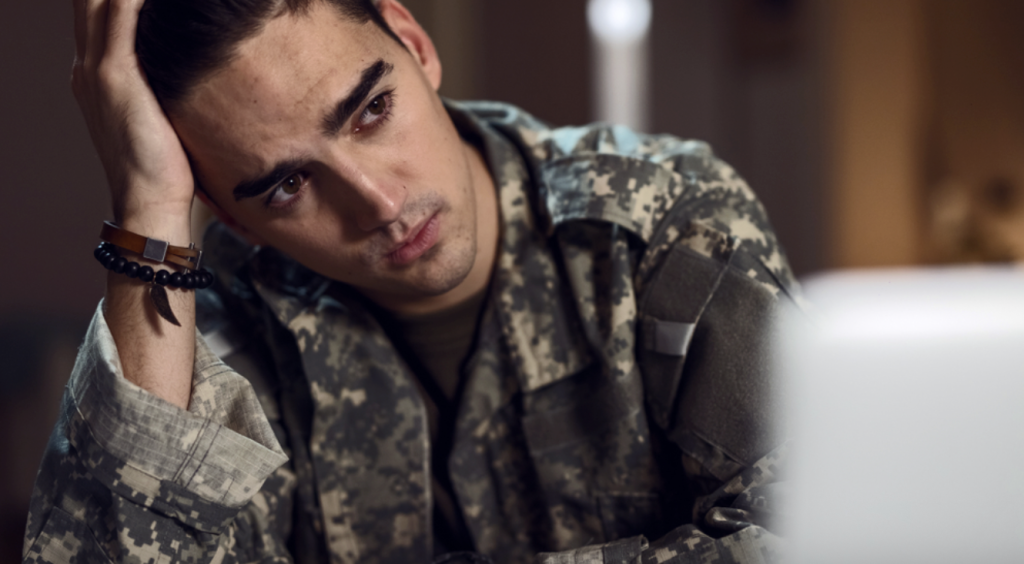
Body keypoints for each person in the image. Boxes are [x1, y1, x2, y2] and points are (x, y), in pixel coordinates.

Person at [24, 0, 800, 562]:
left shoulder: (663, 221)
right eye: (288, 185)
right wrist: (149, 210)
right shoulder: (226, 318)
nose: (381, 204)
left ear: (415, 42)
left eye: (371, 110)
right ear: (232, 217)